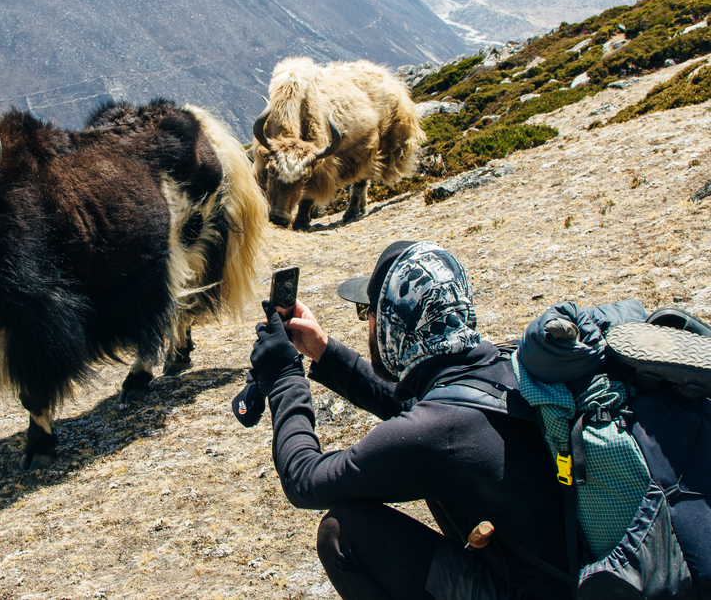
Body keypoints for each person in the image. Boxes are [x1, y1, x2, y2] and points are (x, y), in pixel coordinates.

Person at [241, 240, 571, 600]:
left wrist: (285, 378)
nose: (367, 324)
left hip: (525, 592)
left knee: (342, 533)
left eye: (367, 313)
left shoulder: (438, 434)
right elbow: (413, 405)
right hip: (570, 579)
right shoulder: (505, 369)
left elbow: (303, 479)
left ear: (393, 325)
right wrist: (324, 351)